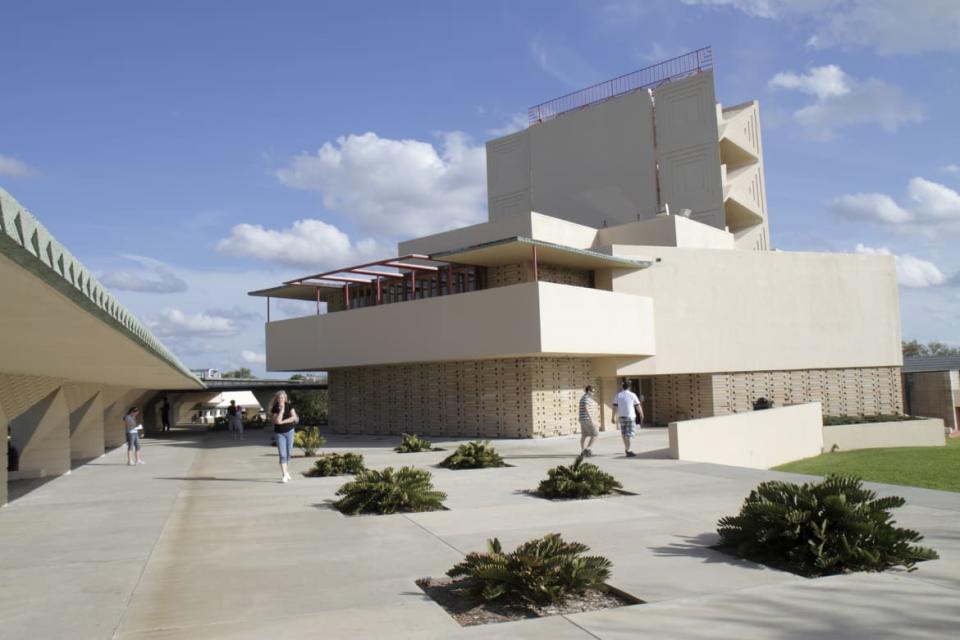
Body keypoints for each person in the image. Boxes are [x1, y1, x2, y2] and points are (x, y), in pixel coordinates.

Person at [270, 390, 298, 483]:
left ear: (285, 398)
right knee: (282, 455)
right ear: (277, 399)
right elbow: (277, 421)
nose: (280, 399)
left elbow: (294, 417)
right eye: (278, 398)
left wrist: (283, 421)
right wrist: (281, 410)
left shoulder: (290, 406)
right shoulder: (274, 408)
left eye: (282, 397)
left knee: (288, 454)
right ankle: (284, 474)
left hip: (290, 431)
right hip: (279, 433)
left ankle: (286, 471)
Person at [612, 381, 643, 457]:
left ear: (622, 387)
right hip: (630, 417)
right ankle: (628, 450)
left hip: (621, 417)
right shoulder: (632, 395)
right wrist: (641, 413)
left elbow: (615, 407)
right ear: (629, 387)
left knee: (624, 433)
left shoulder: (618, 395)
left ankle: (626, 448)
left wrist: (612, 416)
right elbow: (637, 405)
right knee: (629, 434)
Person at [578, 385, 600, 456]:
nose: (593, 393)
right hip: (587, 419)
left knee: (584, 435)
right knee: (595, 434)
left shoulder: (583, 398)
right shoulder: (586, 398)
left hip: (582, 419)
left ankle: (583, 450)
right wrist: (592, 420)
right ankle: (588, 449)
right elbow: (586, 408)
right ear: (588, 391)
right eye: (592, 391)